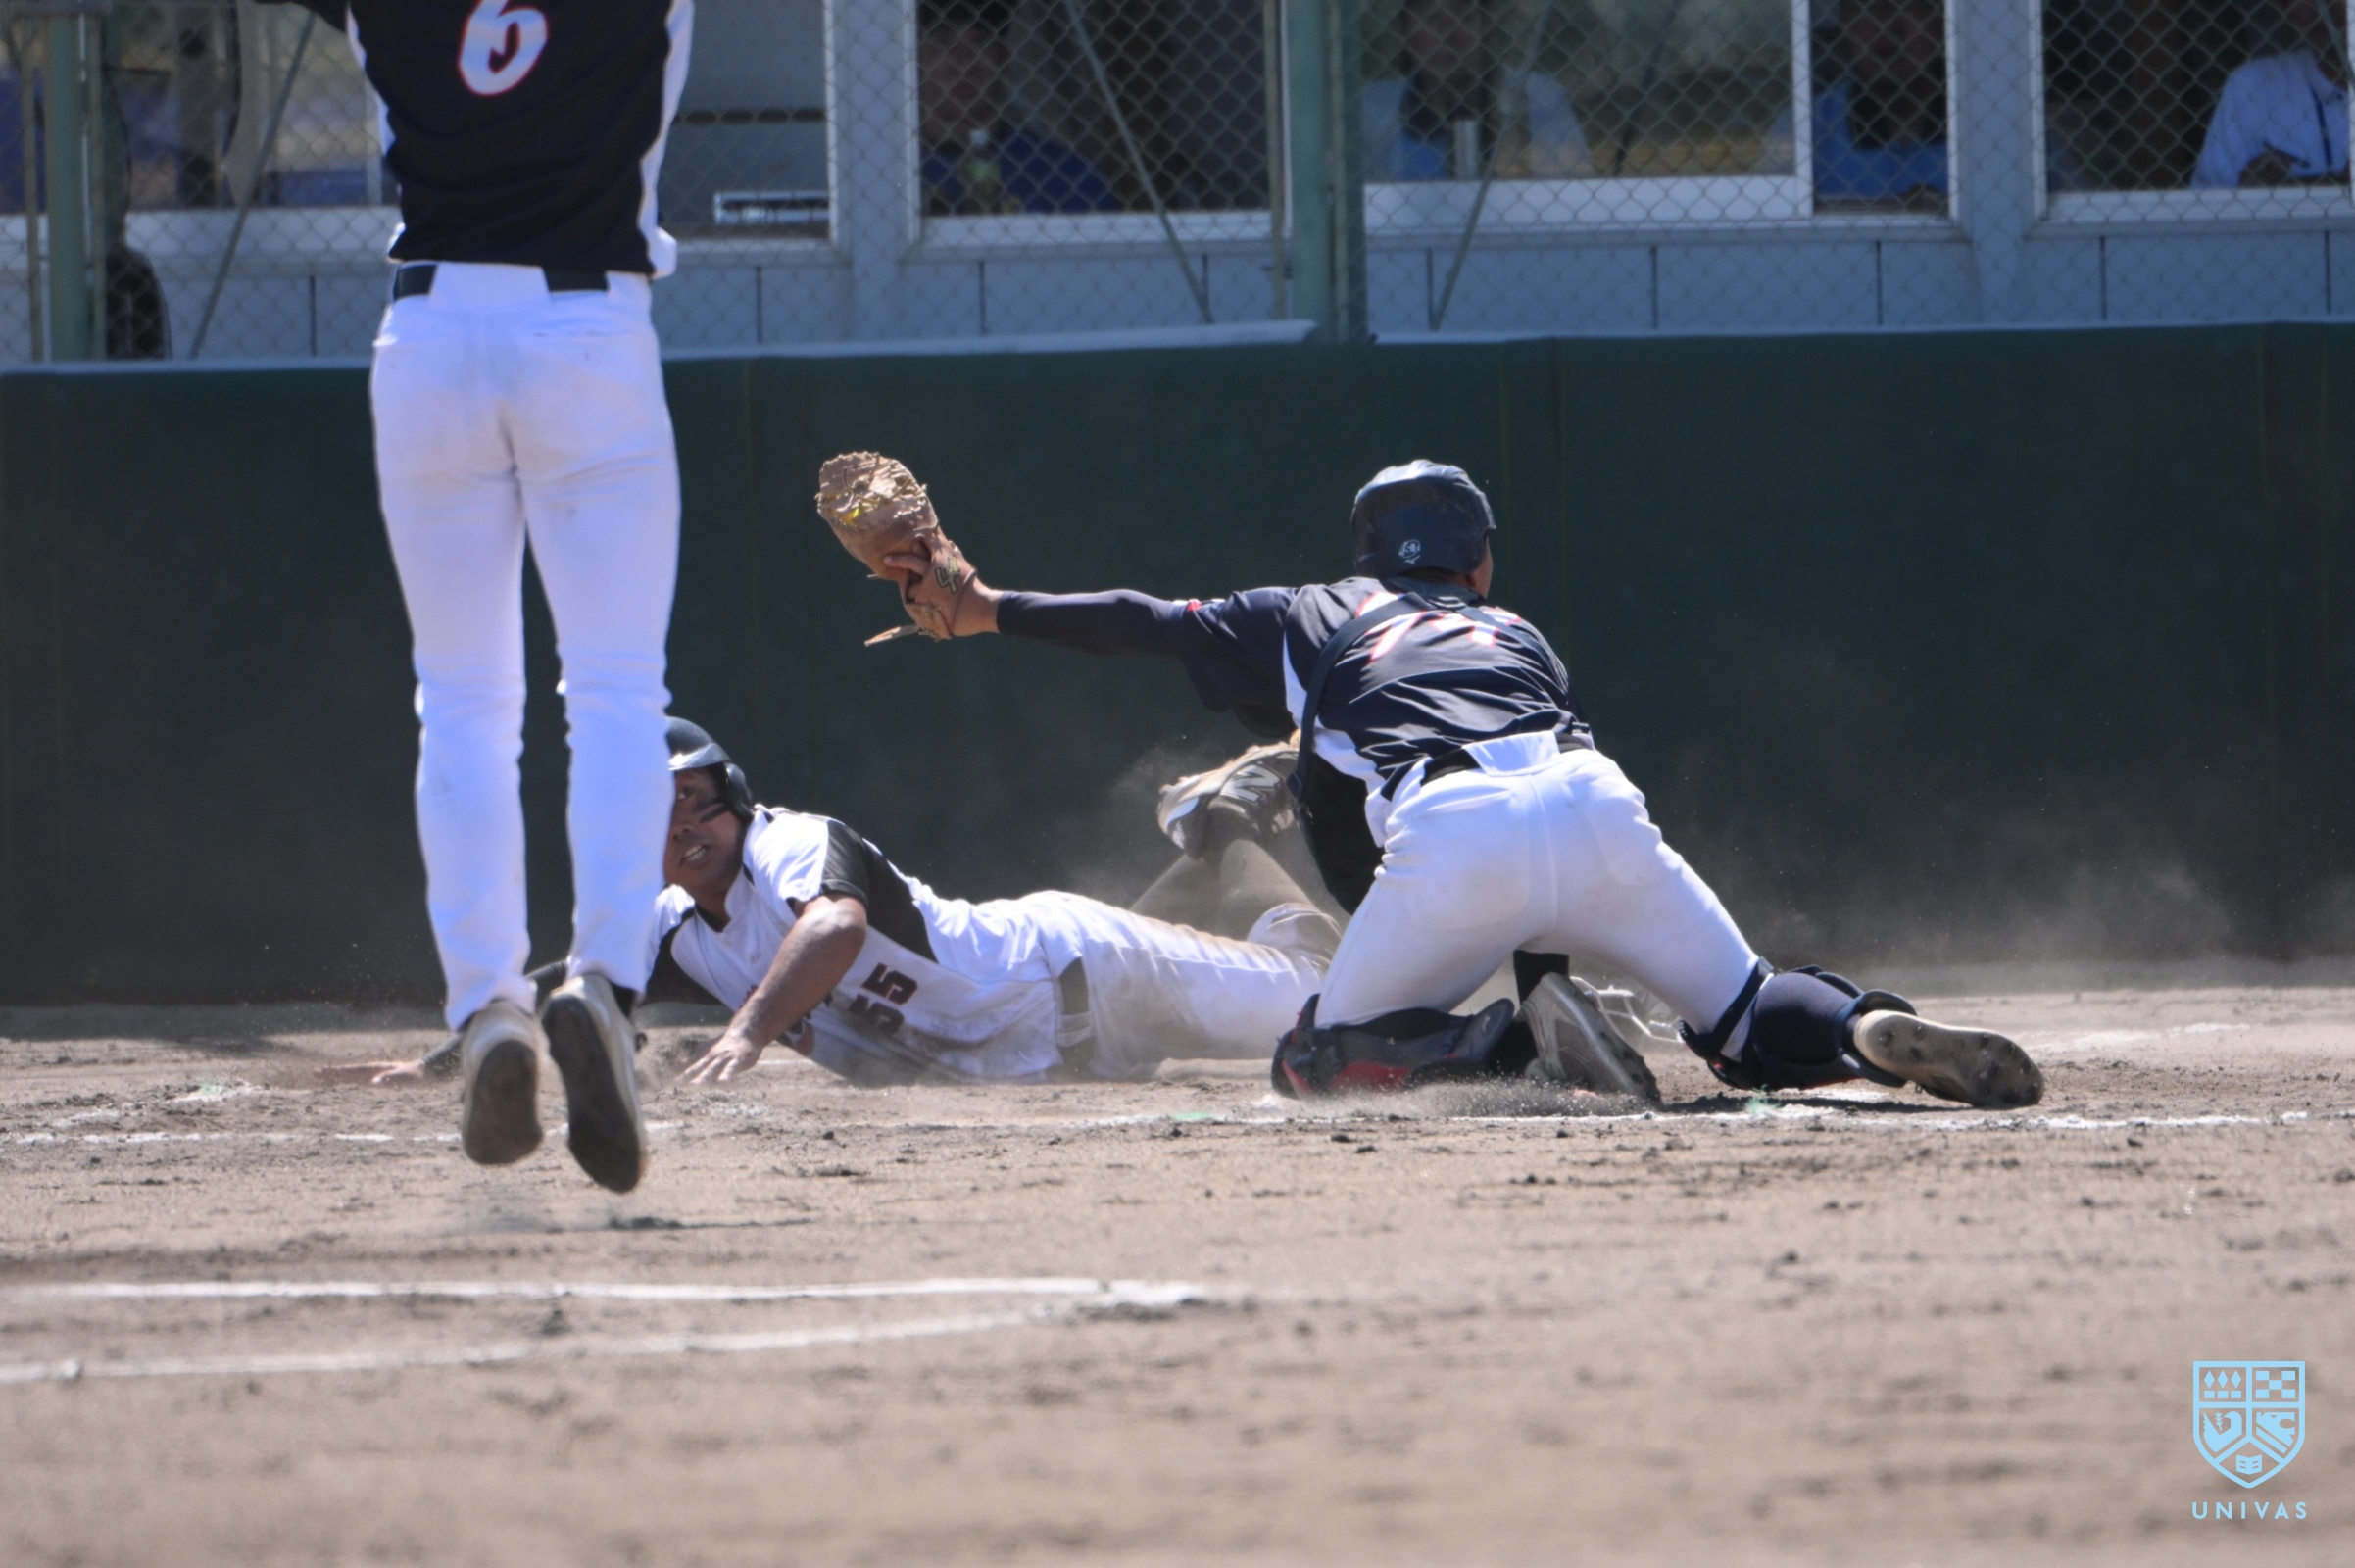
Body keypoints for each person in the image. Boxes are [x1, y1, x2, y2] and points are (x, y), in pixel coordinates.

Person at [873, 460, 2047, 1109]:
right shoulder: (1515, 631)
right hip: (1596, 804)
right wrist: (1552, 977)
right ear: (1478, 561)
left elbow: (1148, 620)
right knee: (1744, 1015)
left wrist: (986, 608)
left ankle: (1506, 1050)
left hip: (1450, 830)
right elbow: (1545, 870)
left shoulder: (1314, 611)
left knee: (1315, 1061)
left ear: (1364, 552)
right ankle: (1860, 1025)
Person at [264, 0, 692, 1192]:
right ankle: (603, 984)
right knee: (614, 691)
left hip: (429, 337)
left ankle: (488, 1007)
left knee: (460, 700)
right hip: (588, 329)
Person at [335, 719, 1360, 1090]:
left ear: (734, 800)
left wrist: (746, 1032)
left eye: (698, 801)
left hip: (1087, 969)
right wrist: (448, 1060)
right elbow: (567, 980)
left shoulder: (788, 841)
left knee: (1330, 1006)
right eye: (658, 811)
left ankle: (1225, 820)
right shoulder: (672, 921)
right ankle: (1203, 855)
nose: (685, 826)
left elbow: (834, 925)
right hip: (1059, 1045)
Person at [918, 0, 1118, 216]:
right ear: (915, 60)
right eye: (944, 44)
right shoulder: (899, 171)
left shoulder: (1068, 176)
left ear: (1005, 57)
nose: (964, 63)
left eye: (980, 43)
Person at [1361, 0, 1589, 181]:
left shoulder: (1537, 96)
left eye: (1464, 16)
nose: (1447, 33)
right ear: (1405, 32)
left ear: (1486, 27)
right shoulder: (1374, 108)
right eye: (1431, 18)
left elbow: (1571, 189)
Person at [2193, 0, 2350, 188]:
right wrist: (2250, 197)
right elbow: (2207, 198)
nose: (2323, 6)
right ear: (2282, 7)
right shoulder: (2254, 85)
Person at [1809, 0, 1948, 206]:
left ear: (1942, 22)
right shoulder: (1809, 125)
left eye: (1909, 6)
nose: (1888, 27)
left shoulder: (1981, 115)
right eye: (1869, 7)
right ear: (1844, 22)